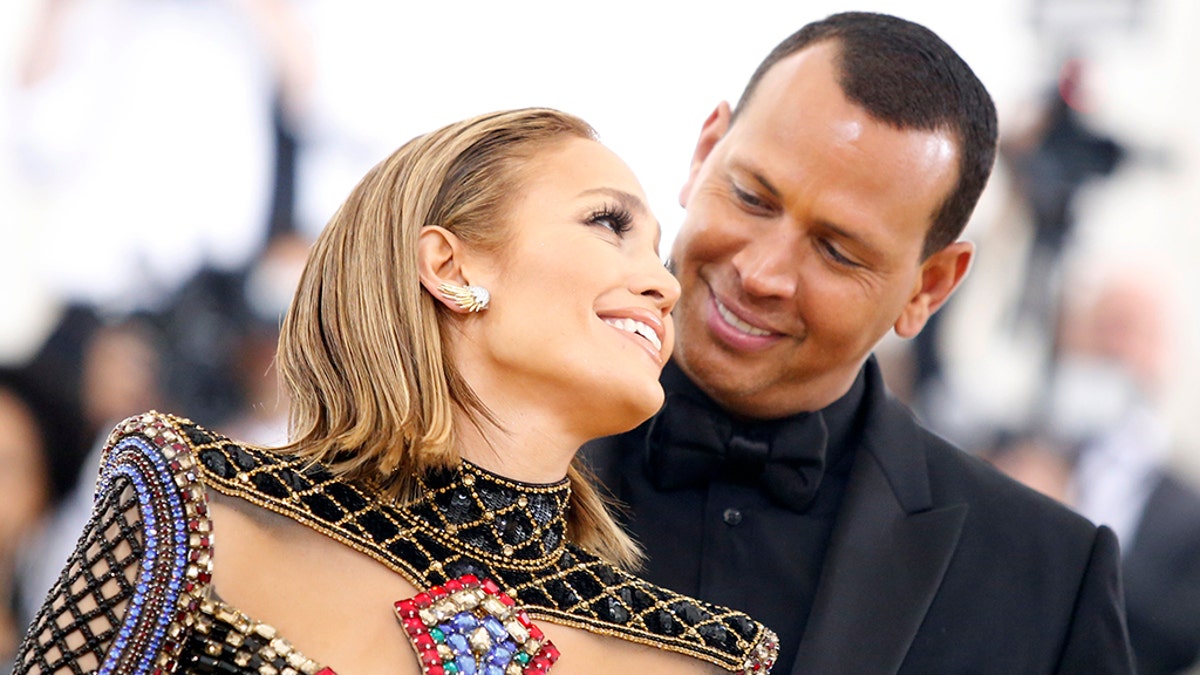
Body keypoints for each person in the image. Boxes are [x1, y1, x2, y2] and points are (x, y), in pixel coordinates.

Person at [14, 109, 779, 675]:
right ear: (448, 268)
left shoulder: (701, 657)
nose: (664, 284)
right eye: (609, 223)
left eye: (657, 251)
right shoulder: (197, 508)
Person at [584, 11, 1133, 674]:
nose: (762, 274)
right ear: (704, 154)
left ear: (928, 287)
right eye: (752, 197)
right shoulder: (460, 434)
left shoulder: (1049, 580)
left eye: (837, 251)